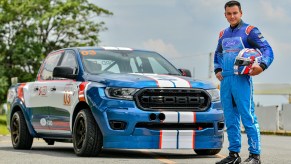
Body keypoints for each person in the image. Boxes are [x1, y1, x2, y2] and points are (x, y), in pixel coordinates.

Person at [214, 1, 274, 164]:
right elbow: (218, 54)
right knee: (230, 118)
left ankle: (255, 155)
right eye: (229, 13)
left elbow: (268, 50)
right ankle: (234, 155)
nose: (232, 16)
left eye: (235, 13)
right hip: (226, 81)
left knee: (248, 117)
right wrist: (217, 69)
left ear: (241, 13)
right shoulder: (222, 34)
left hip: (241, 80)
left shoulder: (250, 31)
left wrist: (262, 66)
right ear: (225, 15)